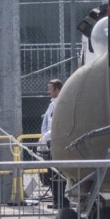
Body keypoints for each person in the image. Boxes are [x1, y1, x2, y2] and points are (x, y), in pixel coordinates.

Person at [39, 79, 68, 209]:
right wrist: (44, 136)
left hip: (59, 141)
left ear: (57, 89)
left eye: (50, 89)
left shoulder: (62, 104)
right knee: (52, 173)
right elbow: (46, 122)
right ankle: (57, 200)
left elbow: (58, 123)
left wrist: (46, 135)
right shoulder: (52, 105)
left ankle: (63, 201)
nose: (48, 91)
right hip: (50, 141)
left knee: (59, 173)